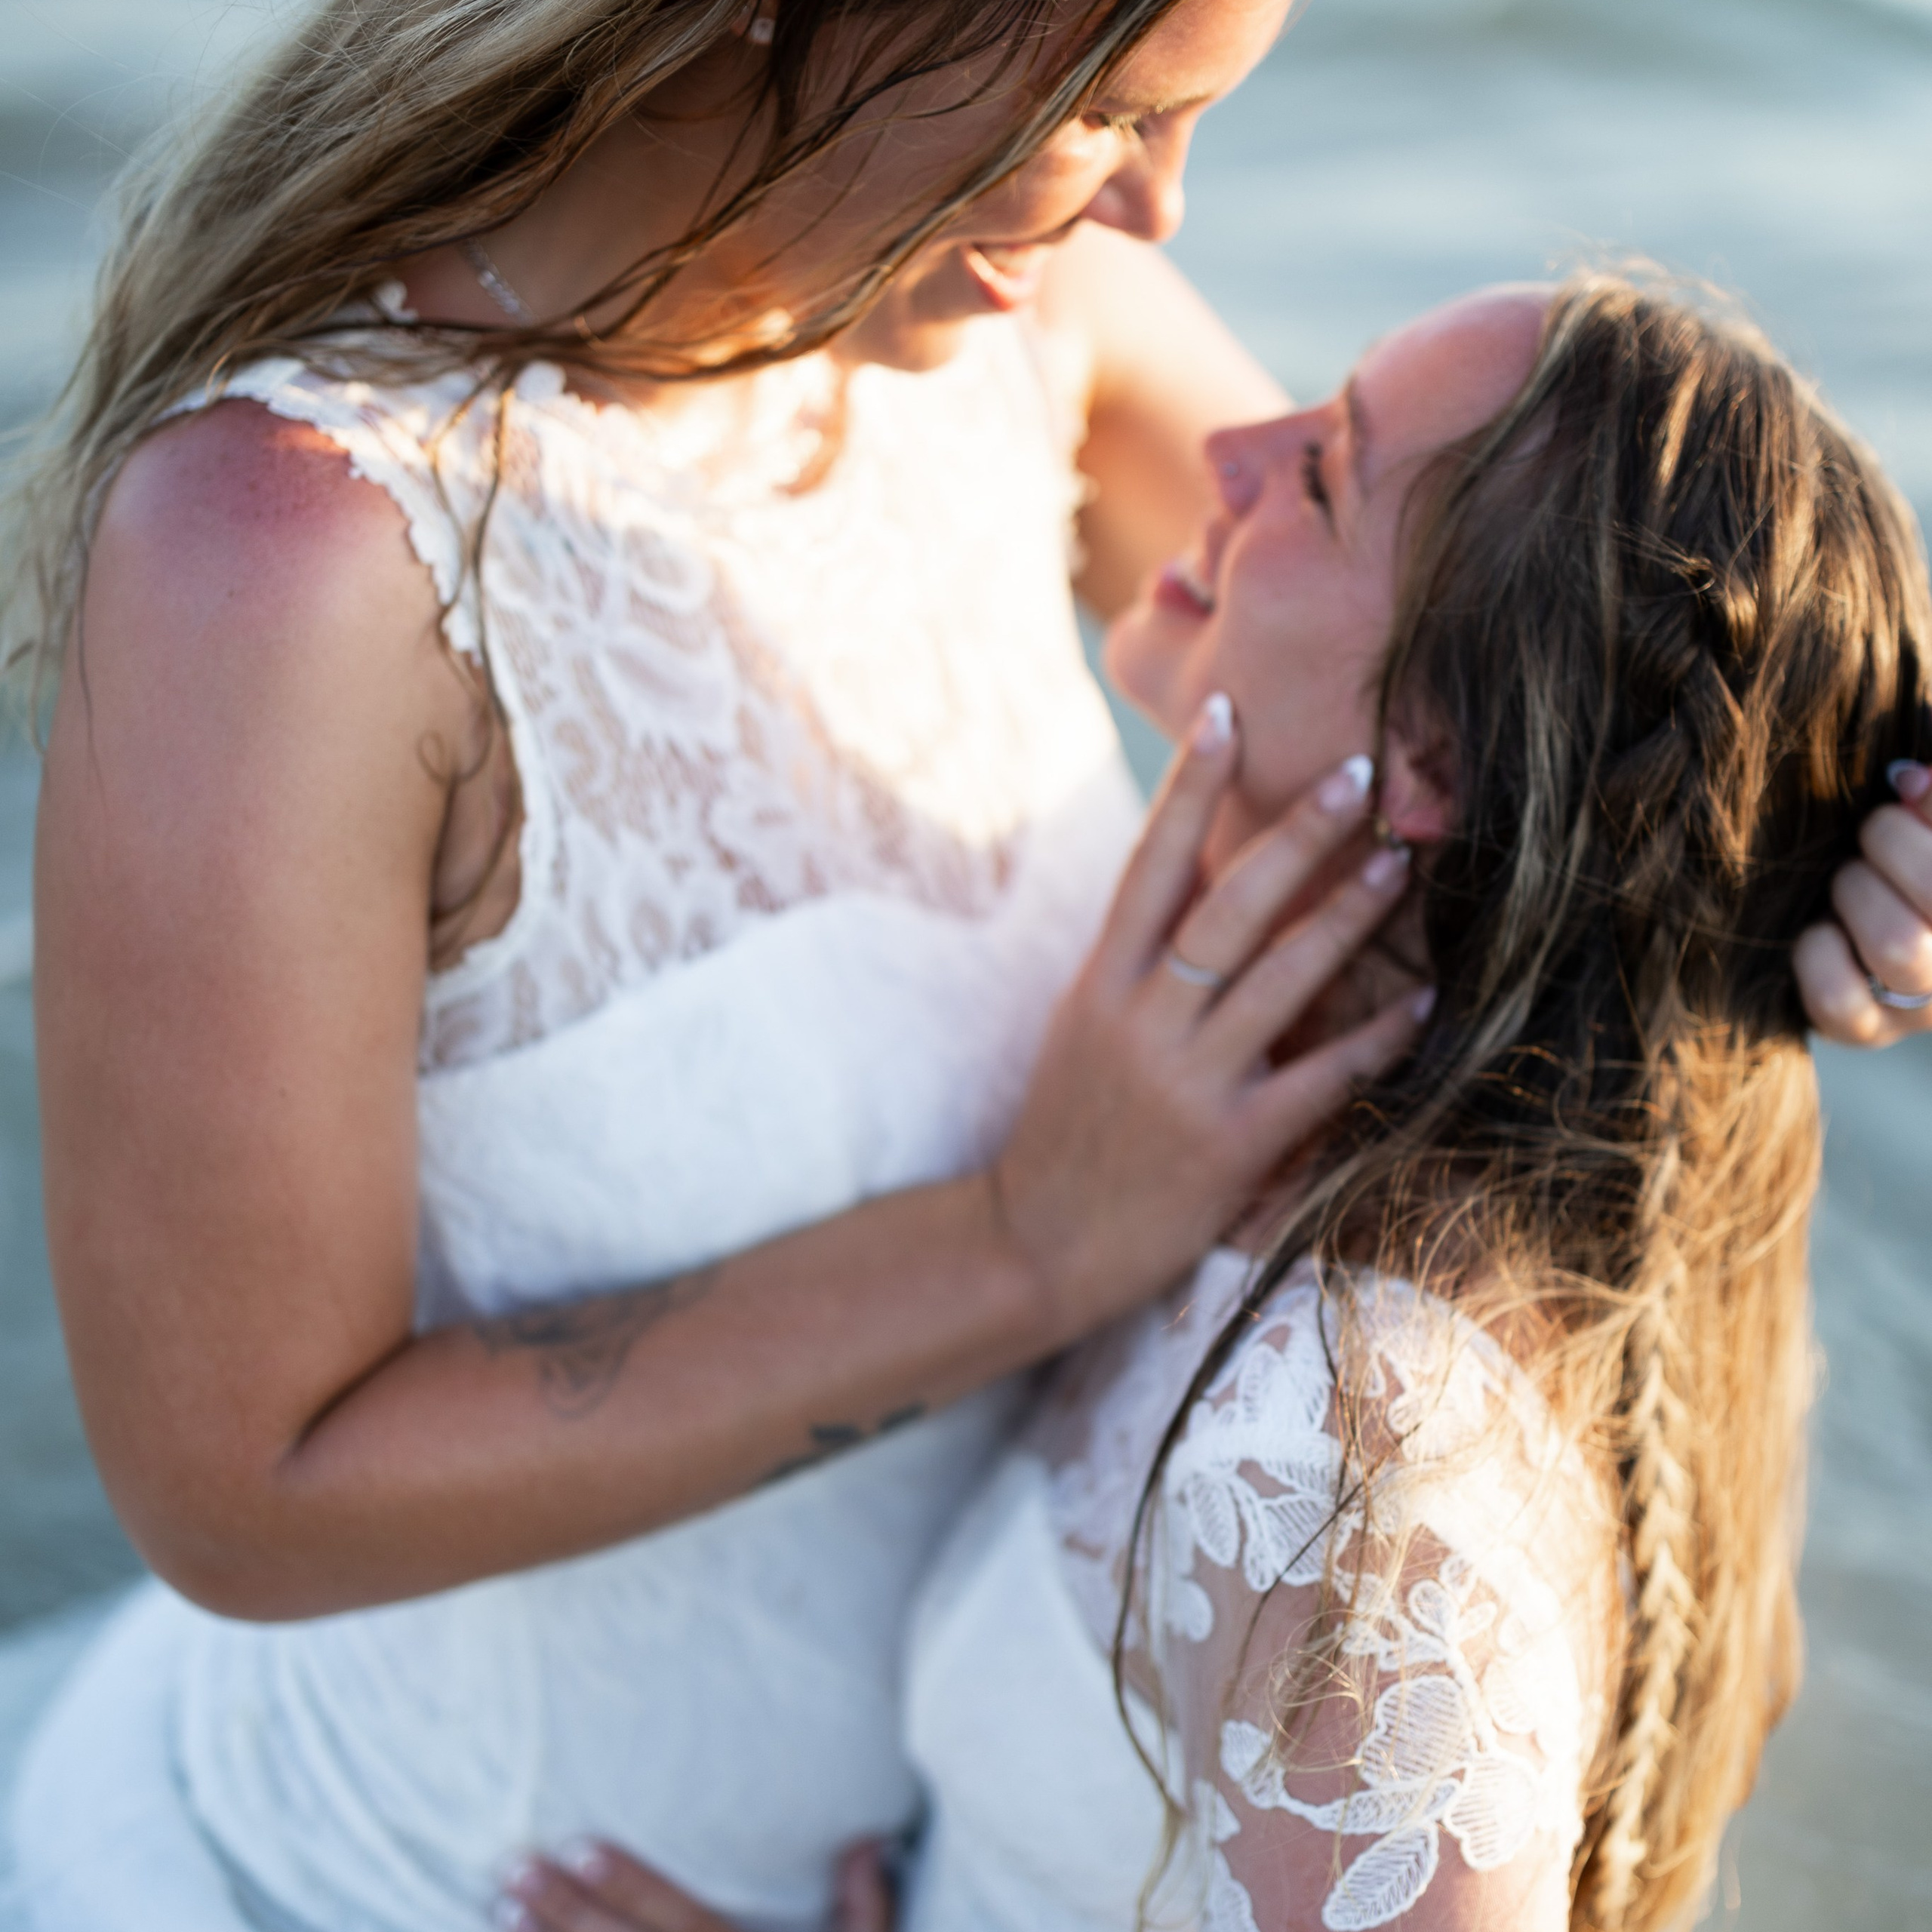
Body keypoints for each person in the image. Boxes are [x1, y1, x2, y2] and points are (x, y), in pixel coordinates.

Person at [3, 0, 1928, 1916]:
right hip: (408, 1878)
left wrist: (1850, 842)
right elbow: (241, 1491)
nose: (1159, 212)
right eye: (1109, 109)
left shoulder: (1016, 313)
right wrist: (1027, 1238)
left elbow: (1527, 747)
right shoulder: (288, 561)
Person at [502, 275, 1931, 1932]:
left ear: (1429, 764)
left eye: (1319, 470)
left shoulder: (1359, 1481)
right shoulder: (1300, 1171)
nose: (1223, 452)